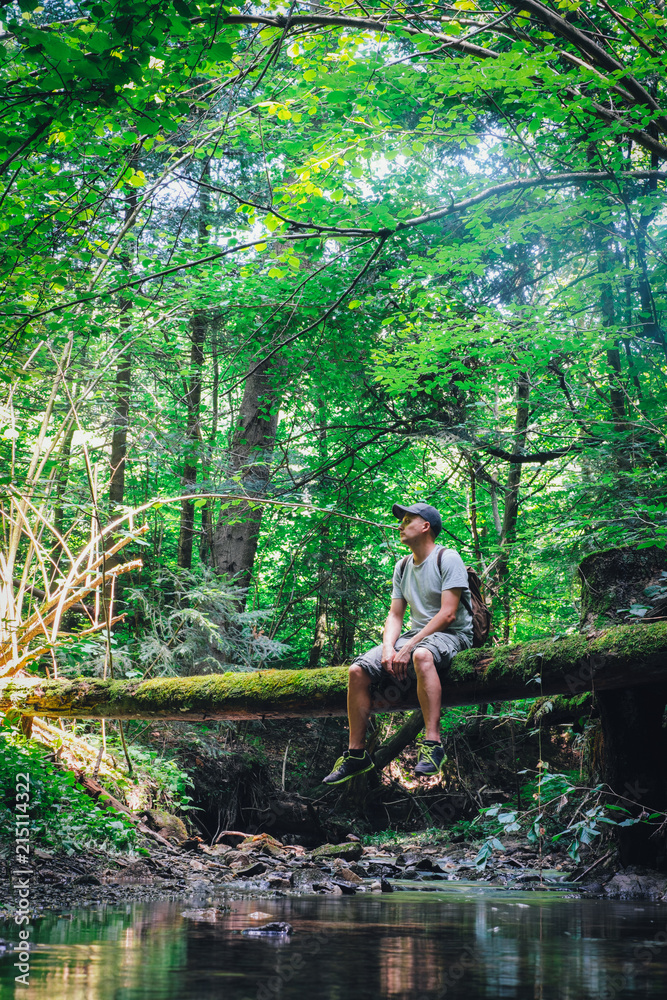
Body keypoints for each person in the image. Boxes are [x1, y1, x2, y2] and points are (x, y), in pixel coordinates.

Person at [322, 502, 473, 784]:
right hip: (416, 635)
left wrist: (409, 646)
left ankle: (432, 746)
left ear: (425, 526)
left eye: (407, 520)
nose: (400, 525)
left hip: (453, 635)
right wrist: (390, 647)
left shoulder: (448, 557)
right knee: (357, 671)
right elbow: (395, 614)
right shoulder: (402, 566)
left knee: (422, 656)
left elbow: (448, 613)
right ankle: (356, 755)